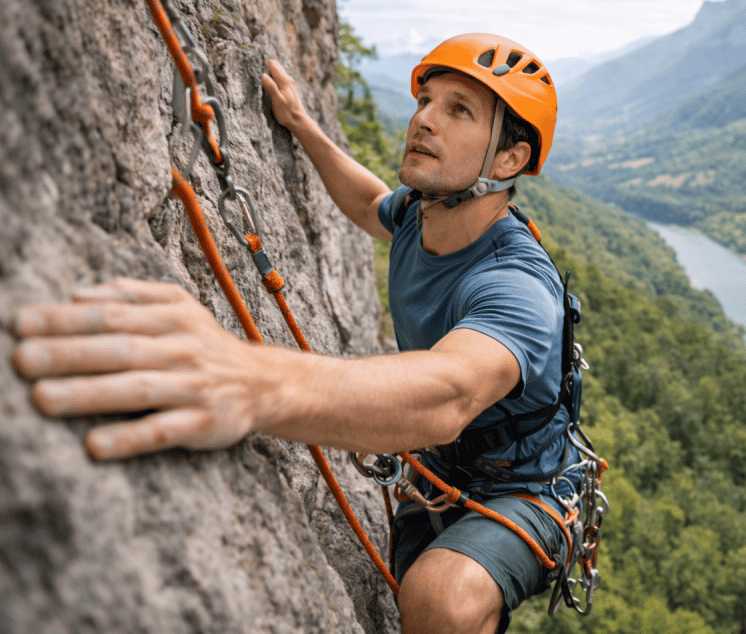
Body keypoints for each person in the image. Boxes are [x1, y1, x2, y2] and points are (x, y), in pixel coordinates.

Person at [10, 33, 578, 634]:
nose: (424, 119)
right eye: (427, 99)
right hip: (444, 470)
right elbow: (370, 204)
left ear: (509, 160)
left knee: (441, 599)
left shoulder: (516, 284)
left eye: (459, 110)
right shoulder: (424, 213)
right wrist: (304, 126)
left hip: (527, 484)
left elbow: (451, 393)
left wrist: (248, 379)